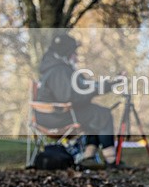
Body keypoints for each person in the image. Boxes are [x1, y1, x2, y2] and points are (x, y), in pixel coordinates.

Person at [36, 33, 123, 169]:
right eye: (73, 53)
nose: (76, 57)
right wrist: (92, 92)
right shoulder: (59, 70)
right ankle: (111, 159)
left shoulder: (56, 68)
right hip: (56, 117)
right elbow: (69, 97)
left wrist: (110, 85)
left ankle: (89, 157)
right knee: (103, 115)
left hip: (54, 115)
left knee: (94, 114)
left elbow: (86, 86)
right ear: (66, 53)